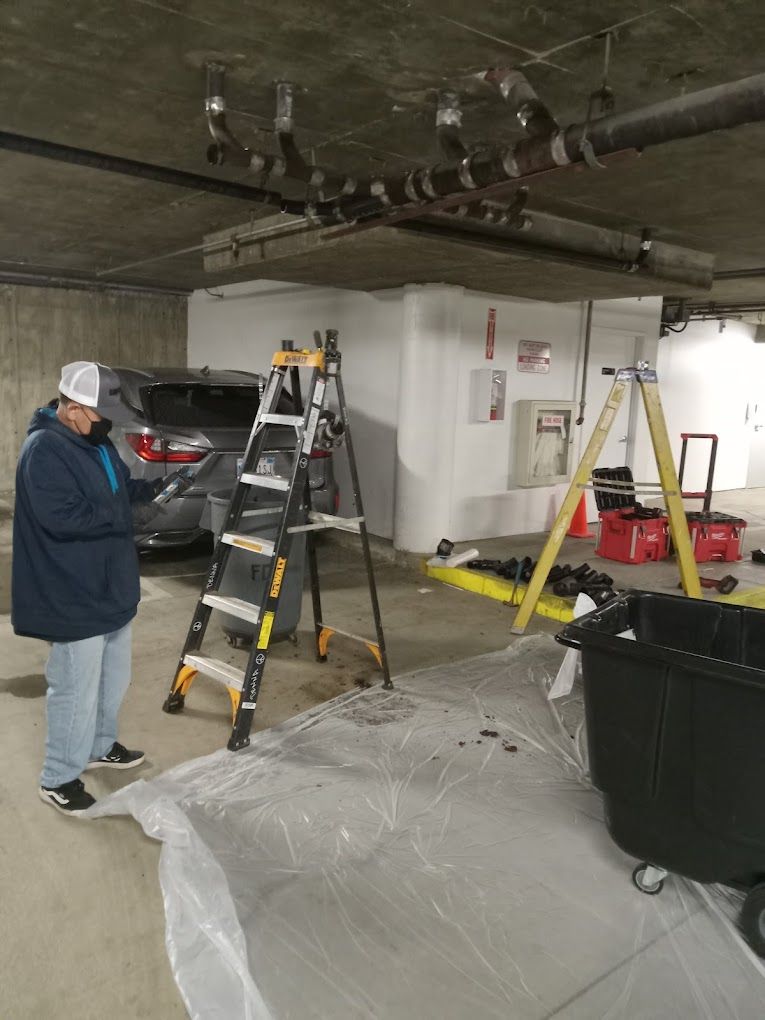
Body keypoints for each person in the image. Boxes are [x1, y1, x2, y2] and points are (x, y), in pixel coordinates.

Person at [12, 361, 167, 816]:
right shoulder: (44, 451)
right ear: (74, 409)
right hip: (73, 591)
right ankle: (58, 776)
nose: (108, 426)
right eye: (101, 416)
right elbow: (62, 518)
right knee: (75, 688)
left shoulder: (93, 443)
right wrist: (125, 518)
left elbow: (118, 492)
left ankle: (100, 745)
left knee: (112, 680)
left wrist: (157, 493)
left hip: (110, 586)